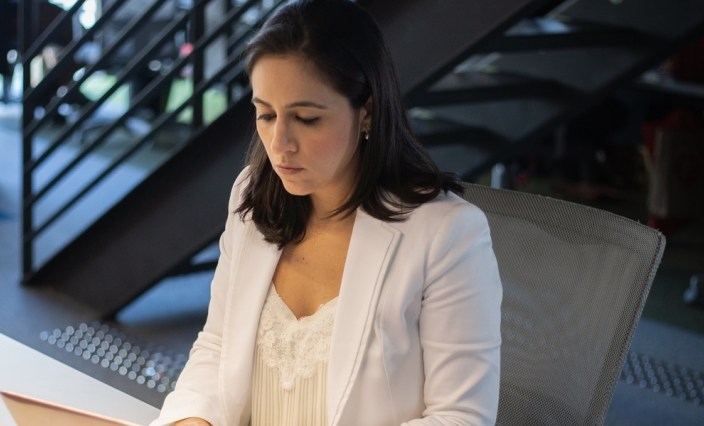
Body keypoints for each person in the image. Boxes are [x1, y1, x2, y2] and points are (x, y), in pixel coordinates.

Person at [152, 1, 502, 424]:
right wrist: (194, 419)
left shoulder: (448, 234)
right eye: (265, 114)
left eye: (306, 118)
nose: (279, 142)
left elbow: (461, 417)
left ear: (366, 111)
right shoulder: (253, 193)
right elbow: (218, 343)